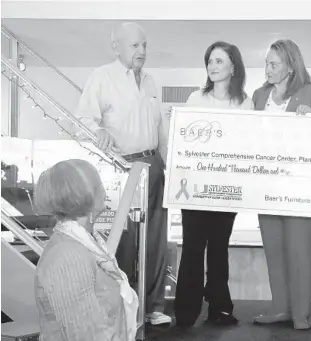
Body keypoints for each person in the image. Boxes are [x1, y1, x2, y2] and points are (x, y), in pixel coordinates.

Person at [75, 22, 171, 325]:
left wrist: (170, 165)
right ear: (116, 47)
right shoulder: (102, 76)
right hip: (123, 166)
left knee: (156, 239)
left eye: (144, 45)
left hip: (153, 164)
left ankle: (153, 307)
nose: (142, 51)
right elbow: (83, 120)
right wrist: (98, 130)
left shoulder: (151, 81)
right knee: (125, 243)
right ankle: (125, 308)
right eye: (134, 46)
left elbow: (160, 130)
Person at [174, 41, 254, 328]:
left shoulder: (245, 103)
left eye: (219, 61)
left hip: (227, 188)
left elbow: (248, 145)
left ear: (234, 66)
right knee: (193, 247)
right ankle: (185, 311)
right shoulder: (196, 98)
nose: (213, 66)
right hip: (195, 188)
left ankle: (220, 307)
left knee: (219, 248)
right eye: (210, 61)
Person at [251, 39, 311, 330]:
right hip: (266, 185)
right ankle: (280, 307)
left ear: (291, 66)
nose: (267, 68)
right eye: (267, 63)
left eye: (274, 64)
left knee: (299, 250)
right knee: (273, 248)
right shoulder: (259, 96)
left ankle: (301, 313)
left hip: (298, 187)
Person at [34, 159, 138, 341]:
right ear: (83, 193)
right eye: (98, 183)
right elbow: (86, 335)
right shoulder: (68, 255)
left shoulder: (86, 242)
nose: (104, 188)